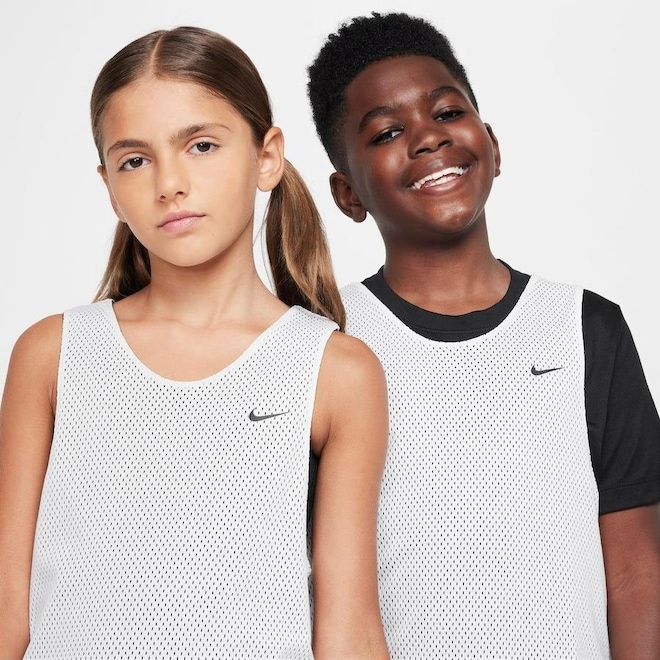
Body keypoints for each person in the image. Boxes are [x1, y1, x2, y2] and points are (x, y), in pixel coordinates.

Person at [0, 25, 391, 659]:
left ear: (266, 157)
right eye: (135, 160)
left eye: (201, 145)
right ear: (108, 186)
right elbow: (7, 614)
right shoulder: (53, 355)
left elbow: (349, 631)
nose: (170, 183)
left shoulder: (335, 371)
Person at [307, 11, 660, 659]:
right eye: (387, 132)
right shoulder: (324, 344)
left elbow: (636, 574)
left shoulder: (586, 328)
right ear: (347, 193)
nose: (427, 138)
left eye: (447, 113)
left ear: (491, 144)